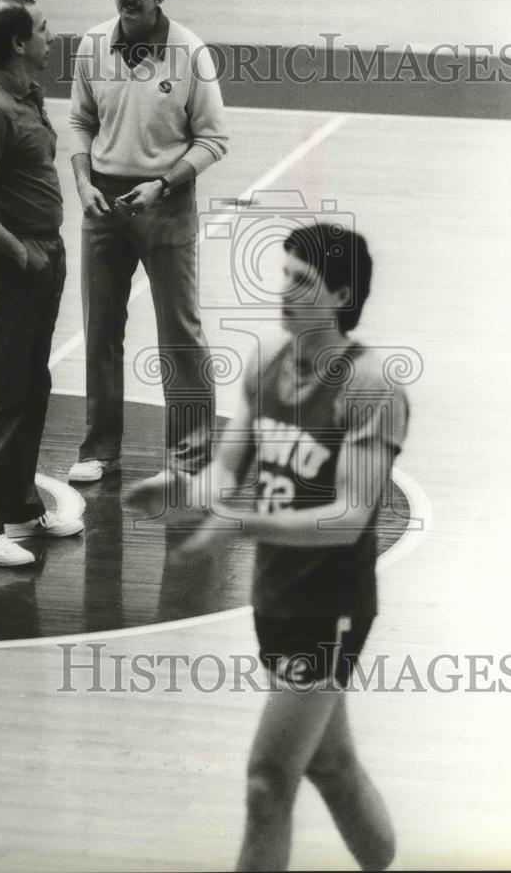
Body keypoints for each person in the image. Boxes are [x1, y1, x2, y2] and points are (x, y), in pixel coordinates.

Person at [127, 220, 407, 871]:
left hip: (331, 610)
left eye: (304, 281)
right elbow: (228, 478)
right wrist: (185, 492)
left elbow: (347, 517)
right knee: (331, 768)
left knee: (267, 781)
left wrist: (242, 524)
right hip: (275, 598)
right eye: (285, 273)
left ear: (340, 298)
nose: (286, 289)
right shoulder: (265, 366)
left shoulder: (371, 388)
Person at [67, 0, 229, 483]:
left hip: (167, 202)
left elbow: (213, 139)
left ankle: (192, 456)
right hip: (103, 206)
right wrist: (84, 182)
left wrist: (162, 185)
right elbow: (79, 123)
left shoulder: (190, 52)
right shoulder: (91, 45)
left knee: (180, 332)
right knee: (101, 330)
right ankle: (99, 449)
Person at [0, 0, 82, 568]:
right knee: (0, 394)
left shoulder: (29, 95)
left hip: (42, 259)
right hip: (15, 270)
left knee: (31, 387)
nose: (52, 37)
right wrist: (18, 251)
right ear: (19, 44)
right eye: (44, 30)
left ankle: (20, 505)